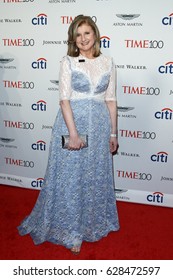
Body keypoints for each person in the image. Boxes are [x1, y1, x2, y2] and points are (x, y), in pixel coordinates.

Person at [18, 15, 120, 255]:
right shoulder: (69, 62)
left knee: (95, 176)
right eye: (78, 34)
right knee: (71, 178)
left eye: (87, 33)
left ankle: (93, 224)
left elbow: (112, 100)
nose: (83, 39)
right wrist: (73, 134)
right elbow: (64, 100)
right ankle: (71, 231)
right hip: (72, 124)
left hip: (100, 127)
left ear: (95, 34)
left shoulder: (108, 62)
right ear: (73, 39)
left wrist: (114, 133)